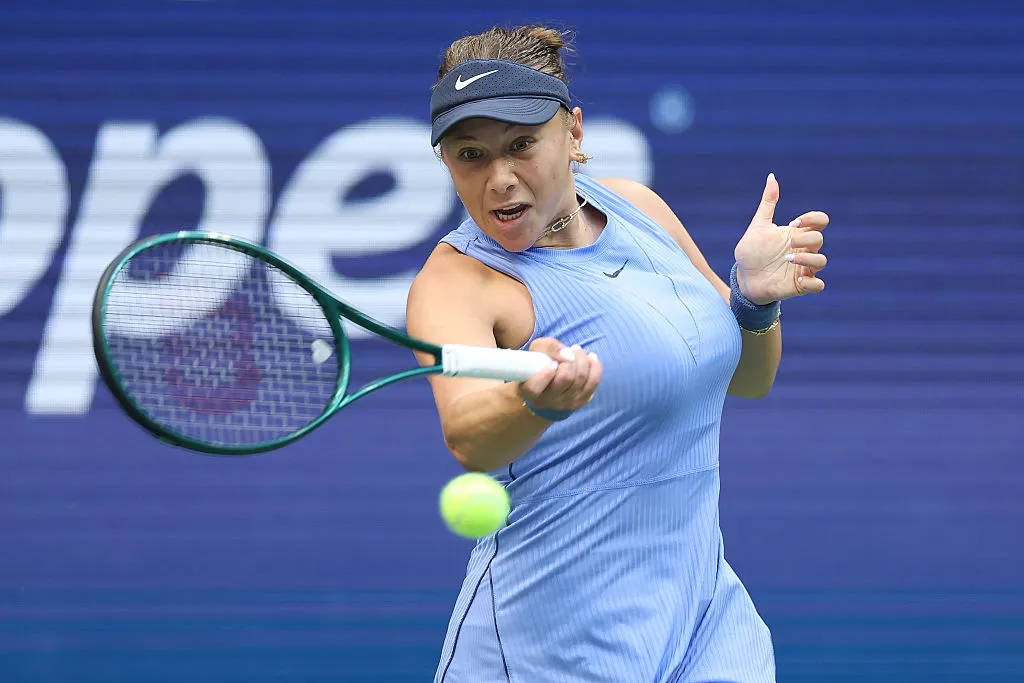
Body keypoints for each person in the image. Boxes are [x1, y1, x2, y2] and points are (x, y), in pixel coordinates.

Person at [407, 25, 829, 683]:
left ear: (572, 133)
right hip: (553, 650)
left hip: (705, 625)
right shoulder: (457, 281)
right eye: (470, 155)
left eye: (521, 145)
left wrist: (752, 300)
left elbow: (749, 377)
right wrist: (532, 403)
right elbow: (469, 438)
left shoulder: (637, 208)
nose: (500, 180)